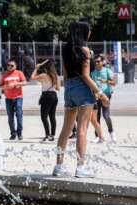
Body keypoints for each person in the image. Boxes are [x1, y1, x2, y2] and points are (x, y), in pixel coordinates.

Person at [52, 22, 109, 178]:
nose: (90, 32)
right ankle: (81, 167)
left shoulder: (65, 49)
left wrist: (69, 90)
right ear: (83, 32)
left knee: (66, 129)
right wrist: (100, 93)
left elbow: (64, 73)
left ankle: (58, 166)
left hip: (69, 88)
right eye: (89, 30)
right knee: (82, 130)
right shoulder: (84, 50)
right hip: (83, 89)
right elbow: (85, 76)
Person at [30, 59, 60, 141]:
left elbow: (32, 78)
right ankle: (52, 135)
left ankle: (47, 134)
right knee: (52, 116)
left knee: (44, 117)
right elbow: (58, 88)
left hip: (46, 96)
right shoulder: (55, 76)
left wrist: (36, 68)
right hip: (54, 95)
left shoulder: (44, 75)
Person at [0, 58, 27, 140]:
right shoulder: (4, 74)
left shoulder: (19, 73)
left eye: (12, 65)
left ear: (15, 66)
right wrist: (5, 87)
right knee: (10, 117)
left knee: (19, 115)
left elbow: (25, 82)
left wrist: (17, 83)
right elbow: (0, 86)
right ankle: (13, 133)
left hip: (18, 97)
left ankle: (19, 133)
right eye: (8, 65)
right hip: (8, 98)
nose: (9, 67)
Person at [91, 54, 116, 143]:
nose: (96, 63)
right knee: (96, 117)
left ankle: (111, 133)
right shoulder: (92, 72)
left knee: (106, 115)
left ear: (102, 62)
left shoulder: (107, 71)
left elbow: (114, 82)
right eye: (95, 61)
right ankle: (97, 136)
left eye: (98, 61)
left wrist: (105, 81)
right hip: (96, 96)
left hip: (106, 95)